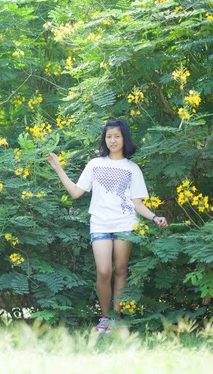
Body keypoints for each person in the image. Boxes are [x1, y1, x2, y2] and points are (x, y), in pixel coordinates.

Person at [47, 118, 168, 333]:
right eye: (109, 136)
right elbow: (76, 193)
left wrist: (154, 217)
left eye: (117, 136)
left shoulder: (132, 168)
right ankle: (104, 317)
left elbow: (137, 204)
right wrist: (59, 169)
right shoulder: (95, 164)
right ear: (104, 139)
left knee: (120, 269)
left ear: (124, 139)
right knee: (104, 271)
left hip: (125, 223)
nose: (112, 140)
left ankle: (115, 318)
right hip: (100, 224)